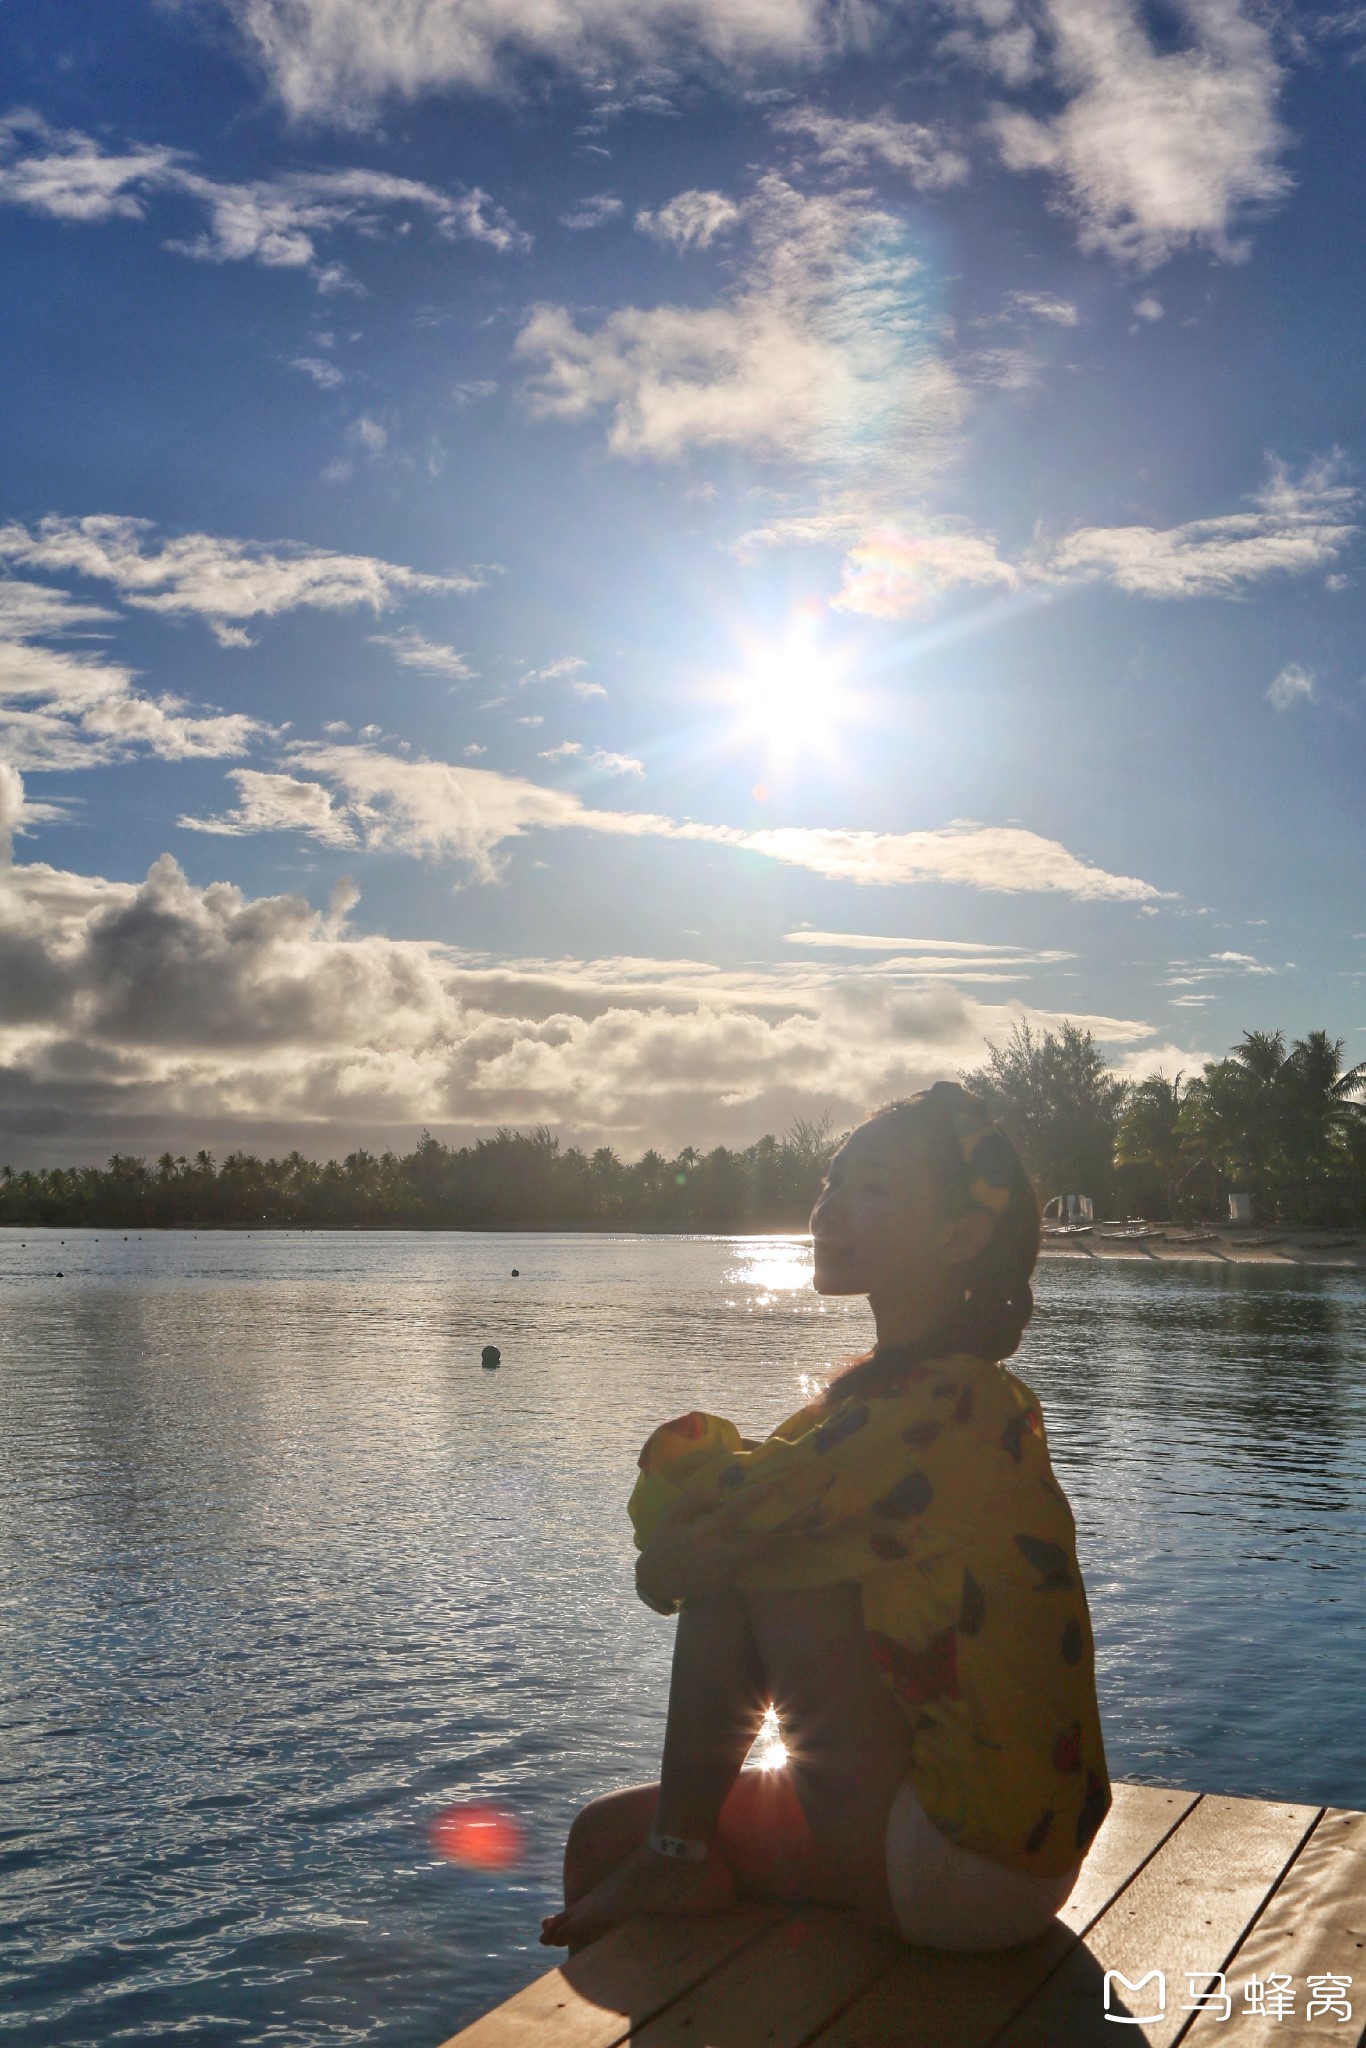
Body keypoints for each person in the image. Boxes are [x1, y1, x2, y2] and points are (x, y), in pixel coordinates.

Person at [540, 1083, 1110, 1954]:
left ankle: (681, 1860)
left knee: (743, 1563)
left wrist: (686, 1523)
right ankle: (673, 1858)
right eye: (830, 1183)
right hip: (1014, 1858)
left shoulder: (933, 1411)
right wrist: (708, 1527)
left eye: (872, 1188)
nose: (830, 1208)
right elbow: (756, 1489)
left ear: (961, 1235)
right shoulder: (927, 1396)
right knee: (602, 1842)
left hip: (960, 1863)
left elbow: (689, 1553)